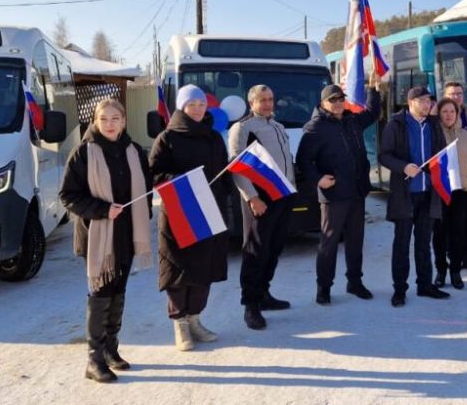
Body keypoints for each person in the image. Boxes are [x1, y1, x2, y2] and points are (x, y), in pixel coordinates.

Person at [60, 99, 151, 383]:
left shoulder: (135, 151)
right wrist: (102, 210)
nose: (110, 124)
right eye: (104, 119)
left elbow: (146, 192)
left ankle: (111, 351)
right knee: (100, 294)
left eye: (116, 118)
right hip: (97, 236)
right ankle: (94, 360)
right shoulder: (84, 153)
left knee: (118, 292)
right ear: (95, 122)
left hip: (126, 235)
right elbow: (68, 196)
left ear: (124, 120)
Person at [149, 85, 231, 351]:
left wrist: (224, 187)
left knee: (204, 266)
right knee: (178, 267)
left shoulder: (214, 138)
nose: (197, 109)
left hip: (209, 209)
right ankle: (179, 324)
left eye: (201, 104)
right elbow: (155, 174)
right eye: (192, 104)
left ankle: (195, 318)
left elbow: (223, 171)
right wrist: (184, 181)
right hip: (180, 211)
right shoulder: (168, 137)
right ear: (182, 107)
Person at [295, 80, 381, 305]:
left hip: (356, 190)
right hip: (334, 195)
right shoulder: (315, 127)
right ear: (323, 103)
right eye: (332, 100)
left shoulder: (351, 121)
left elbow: (372, 113)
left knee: (355, 240)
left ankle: (355, 282)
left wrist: (373, 89)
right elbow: (303, 161)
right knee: (329, 242)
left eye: (341, 98)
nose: (338, 103)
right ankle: (323, 287)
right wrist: (318, 179)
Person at [229, 84, 296, 331]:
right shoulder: (243, 127)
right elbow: (237, 165)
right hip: (260, 199)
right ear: (251, 103)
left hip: (283, 195)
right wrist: (252, 197)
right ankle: (251, 305)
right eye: (262, 100)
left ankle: (264, 294)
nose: (267, 104)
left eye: (270, 99)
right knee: (255, 251)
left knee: (274, 248)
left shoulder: (277, 126)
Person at [379, 86, 449, 307]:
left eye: (429, 100)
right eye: (424, 101)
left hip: (428, 193)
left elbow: (441, 152)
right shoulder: (396, 125)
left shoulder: (433, 125)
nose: (428, 104)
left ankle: (425, 285)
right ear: (411, 103)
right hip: (405, 194)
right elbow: (384, 156)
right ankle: (399, 289)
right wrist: (403, 167)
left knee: (423, 242)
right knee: (402, 243)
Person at [432, 97, 467, 290]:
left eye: (452, 112)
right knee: (439, 234)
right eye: (445, 111)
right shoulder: (432, 134)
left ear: (457, 114)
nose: (449, 115)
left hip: (461, 191)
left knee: (458, 233)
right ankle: (440, 271)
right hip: (439, 192)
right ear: (438, 113)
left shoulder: (465, 135)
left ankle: (455, 271)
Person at [440, 81, 467, 273]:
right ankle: (450, 258)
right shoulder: (437, 119)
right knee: (447, 224)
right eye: (452, 94)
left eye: (459, 93)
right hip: (445, 181)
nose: (456, 97)